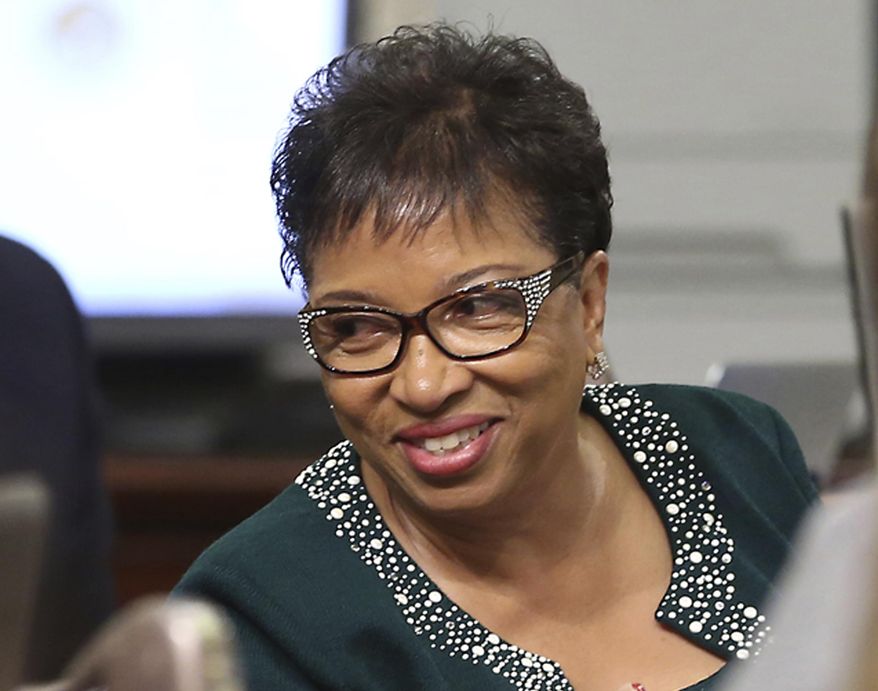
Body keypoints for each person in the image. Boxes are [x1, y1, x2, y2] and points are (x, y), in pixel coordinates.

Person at [174, 24, 818, 690]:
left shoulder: (739, 456)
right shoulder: (260, 613)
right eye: (359, 326)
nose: (424, 384)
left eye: (478, 308)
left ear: (590, 302)